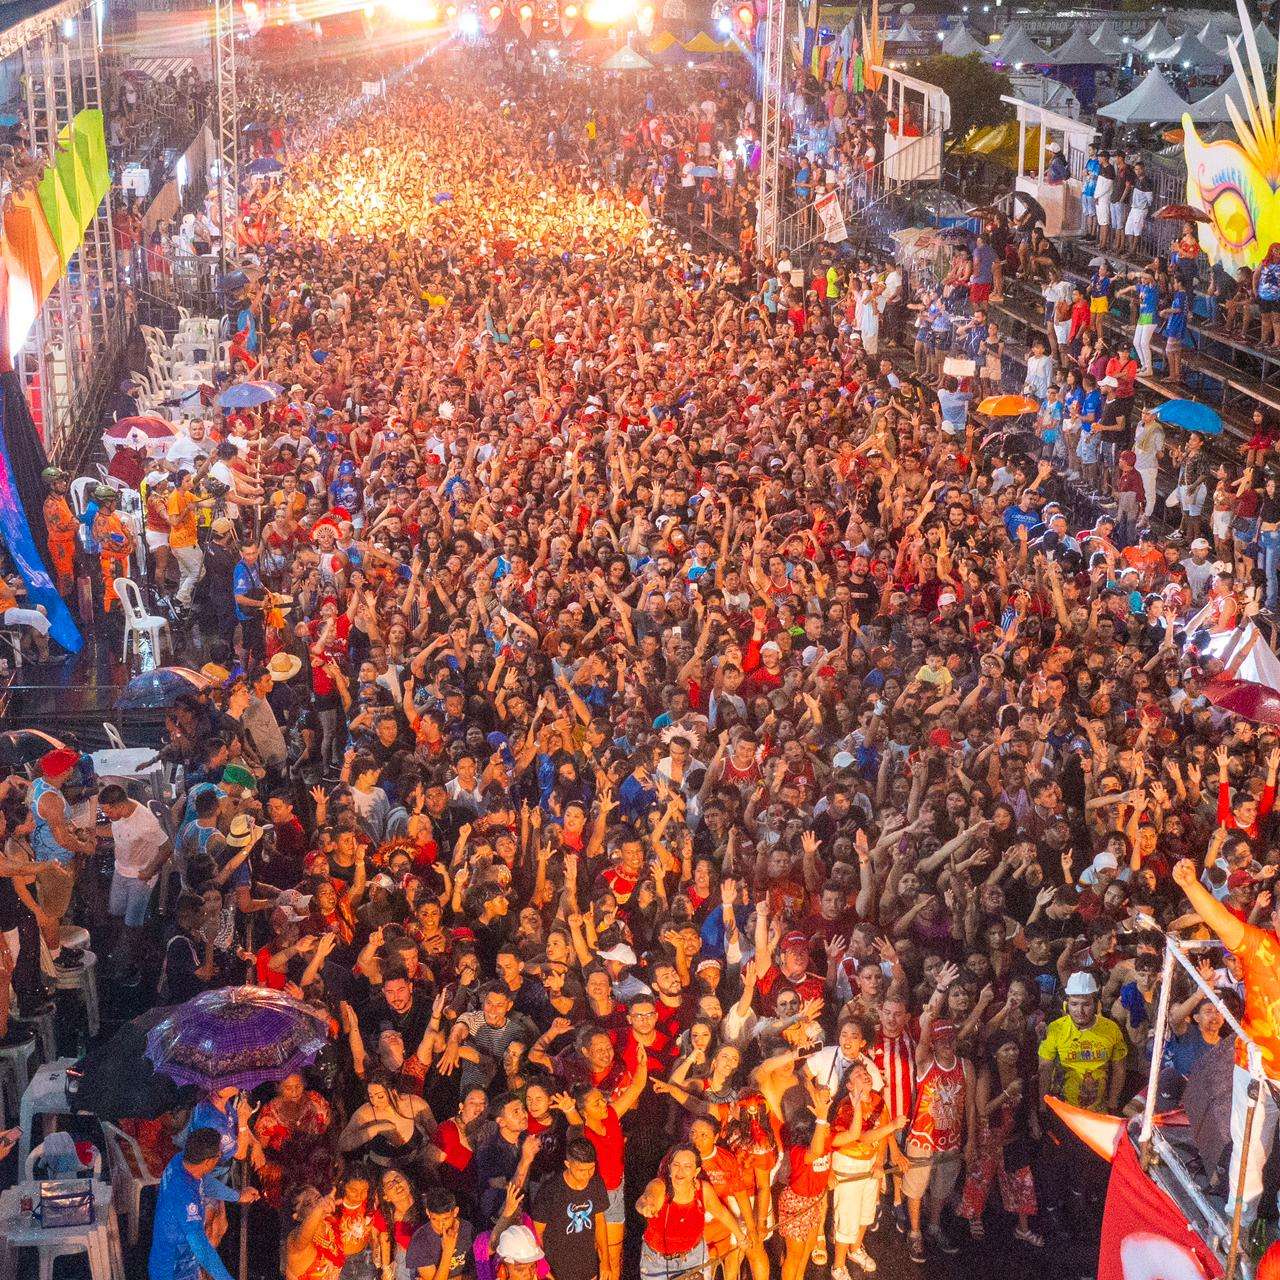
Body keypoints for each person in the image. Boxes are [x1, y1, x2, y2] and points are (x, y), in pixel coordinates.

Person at [1171, 858, 1280, 1227]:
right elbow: (1222, 922)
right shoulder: (1260, 946)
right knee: (1249, 1152)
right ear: (1275, 919)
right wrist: (1191, 886)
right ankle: (1240, 1228)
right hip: (1258, 1070)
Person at [148, 1126, 260, 1280]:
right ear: (208, 1162)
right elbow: (201, 1248)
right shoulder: (185, 1198)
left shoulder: (181, 1161)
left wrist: (238, 1196)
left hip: (184, 1262)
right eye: (219, 1154)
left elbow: (205, 1182)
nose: (220, 1156)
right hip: (174, 1270)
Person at [99, 782, 170, 983]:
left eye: (108, 812)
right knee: (115, 911)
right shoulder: (119, 815)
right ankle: (124, 948)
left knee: (133, 923)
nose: (107, 816)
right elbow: (115, 832)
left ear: (120, 806)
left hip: (140, 877)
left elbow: (166, 847)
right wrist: (93, 832)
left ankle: (129, 965)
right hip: (121, 871)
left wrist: (149, 871)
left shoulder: (146, 822)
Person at [531, 1136, 611, 1280]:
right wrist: (543, 1267)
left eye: (591, 1169)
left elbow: (599, 1222)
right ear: (568, 1164)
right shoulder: (550, 1190)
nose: (587, 1175)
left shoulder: (596, 1183)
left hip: (588, 1267)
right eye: (581, 1170)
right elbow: (537, 1233)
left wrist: (605, 1262)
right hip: (558, 1270)